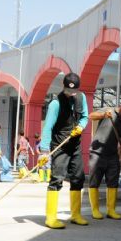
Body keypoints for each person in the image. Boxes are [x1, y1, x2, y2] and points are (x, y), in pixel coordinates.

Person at [37, 73, 89, 229]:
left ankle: (76, 215)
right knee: (57, 179)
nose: (71, 93)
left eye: (74, 91)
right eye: (68, 90)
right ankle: (51, 218)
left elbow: (84, 117)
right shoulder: (55, 103)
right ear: (63, 86)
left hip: (75, 146)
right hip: (60, 146)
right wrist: (44, 151)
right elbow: (47, 128)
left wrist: (80, 127)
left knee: (78, 178)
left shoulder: (81, 97)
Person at [86, 97, 121, 220]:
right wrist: (103, 115)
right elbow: (91, 116)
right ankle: (95, 210)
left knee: (113, 182)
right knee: (94, 182)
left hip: (112, 155)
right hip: (97, 153)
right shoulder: (108, 110)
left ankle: (111, 210)